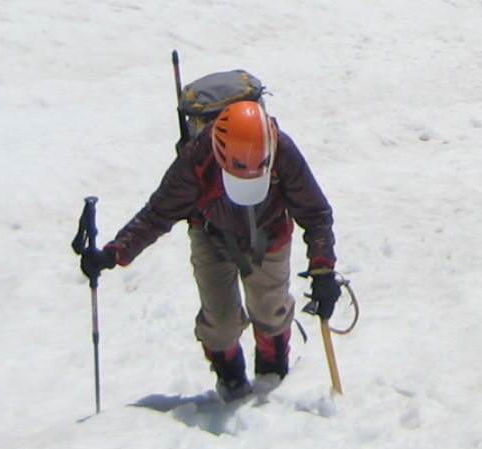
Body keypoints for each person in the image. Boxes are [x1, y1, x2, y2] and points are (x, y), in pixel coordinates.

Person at [78, 97, 341, 401]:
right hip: (212, 236)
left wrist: (323, 270)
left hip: (269, 235)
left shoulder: (283, 151)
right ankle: (231, 382)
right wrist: (115, 252)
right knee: (220, 323)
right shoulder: (198, 157)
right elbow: (158, 213)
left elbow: (315, 213)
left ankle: (272, 377)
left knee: (272, 312)